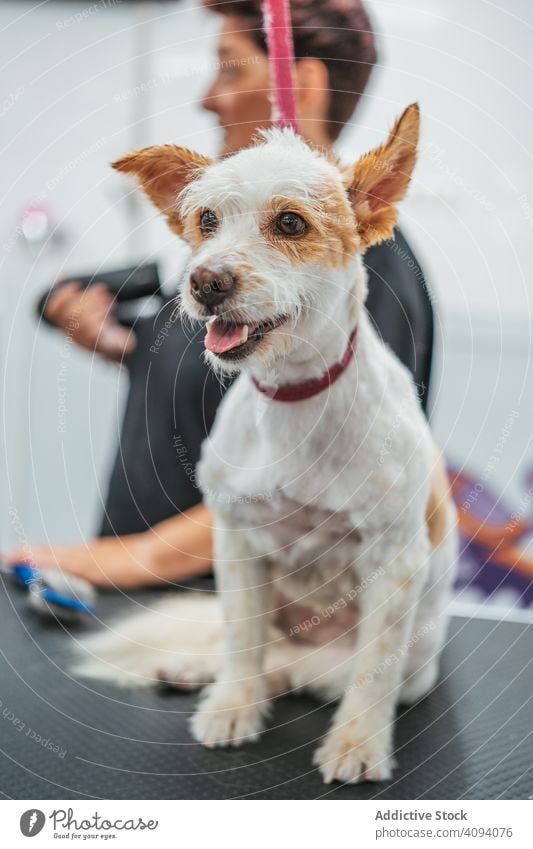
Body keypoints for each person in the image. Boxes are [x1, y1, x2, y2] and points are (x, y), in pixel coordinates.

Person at [6, 0, 432, 588]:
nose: (208, 97)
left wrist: (132, 559)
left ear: (301, 83)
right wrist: (102, 334)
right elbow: (95, 298)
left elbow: (339, 480)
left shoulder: (364, 266)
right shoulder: (222, 249)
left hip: (243, 614)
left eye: (230, 69)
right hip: (129, 588)